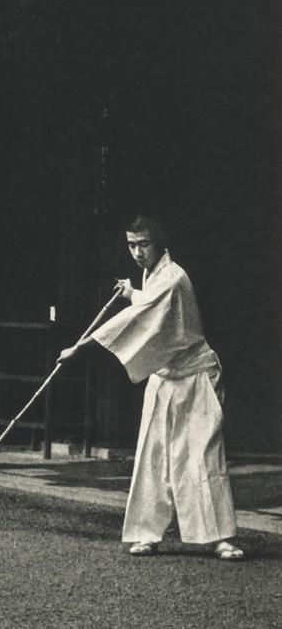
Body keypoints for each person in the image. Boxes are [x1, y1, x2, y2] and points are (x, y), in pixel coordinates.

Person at [58, 215, 243, 561]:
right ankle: (147, 533)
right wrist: (132, 292)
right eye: (131, 245)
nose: (138, 252)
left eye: (144, 244)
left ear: (159, 243)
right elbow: (150, 306)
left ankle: (220, 537)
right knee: (153, 454)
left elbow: (138, 319)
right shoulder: (153, 276)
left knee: (202, 455)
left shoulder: (174, 278)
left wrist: (80, 348)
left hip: (195, 377)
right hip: (164, 377)